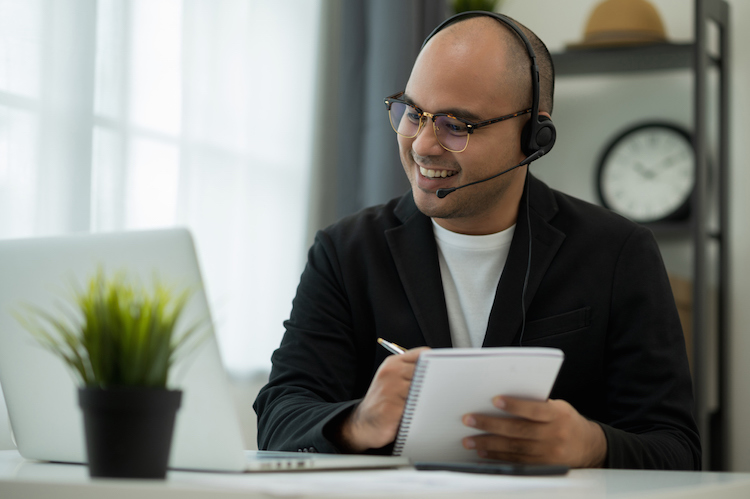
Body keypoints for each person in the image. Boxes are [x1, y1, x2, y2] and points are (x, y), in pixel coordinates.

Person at [253, 12, 700, 470]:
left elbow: (677, 449)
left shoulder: (618, 252)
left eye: (455, 125)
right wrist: (358, 421)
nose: (423, 145)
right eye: (413, 113)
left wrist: (593, 445)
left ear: (534, 136)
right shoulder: (345, 252)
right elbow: (279, 417)